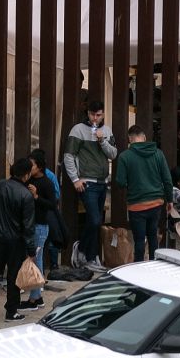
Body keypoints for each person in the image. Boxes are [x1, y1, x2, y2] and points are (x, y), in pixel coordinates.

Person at [64, 101, 118, 270]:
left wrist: (102, 141)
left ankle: (91, 257)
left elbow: (114, 153)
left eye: (99, 115)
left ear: (103, 114)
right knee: (94, 220)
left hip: (102, 182)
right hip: (86, 182)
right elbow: (68, 156)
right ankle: (81, 249)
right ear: (87, 113)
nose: (95, 118)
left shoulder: (107, 130)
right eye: (92, 114)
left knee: (96, 221)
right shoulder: (78, 130)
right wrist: (75, 179)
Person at [0, 158, 38, 322]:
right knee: (14, 276)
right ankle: (11, 311)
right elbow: (28, 226)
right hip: (16, 240)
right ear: (27, 174)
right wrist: (31, 249)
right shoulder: (26, 195)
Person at [113, 125, 175, 263]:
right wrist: (169, 200)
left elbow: (120, 182)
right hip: (156, 203)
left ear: (130, 140)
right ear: (144, 137)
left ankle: (139, 270)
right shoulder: (158, 154)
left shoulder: (125, 157)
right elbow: (167, 179)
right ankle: (154, 266)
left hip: (136, 205)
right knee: (153, 236)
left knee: (139, 240)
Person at [25, 154, 60, 308]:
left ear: (39, 166)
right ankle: (36, 296)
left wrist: (36, 196)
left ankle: (36, 298)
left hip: (40, 225)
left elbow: (52, 205)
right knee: (32, 259)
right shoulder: (28, 180)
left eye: (31, 165)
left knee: (36, 259)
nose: (29, 168)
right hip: (30, 224)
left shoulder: (46, 182)